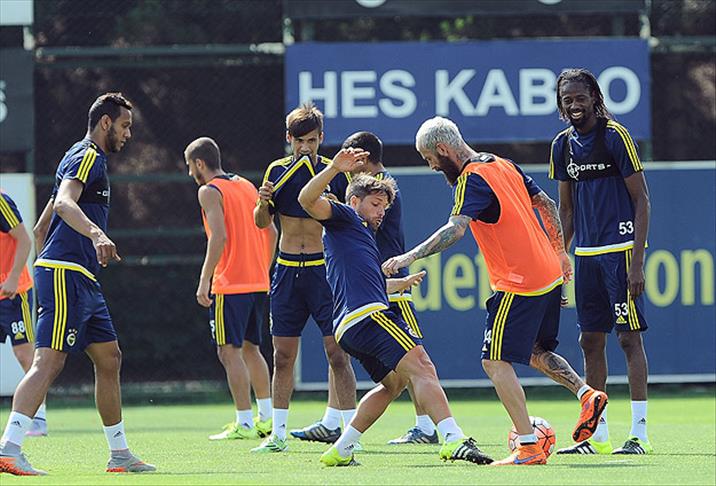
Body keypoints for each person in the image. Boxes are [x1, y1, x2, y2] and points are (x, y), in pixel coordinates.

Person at [383, 116, 607, 466]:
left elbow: (455, 229)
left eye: (430, 159)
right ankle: (585, 393)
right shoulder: (502, 163)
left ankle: (528, 446)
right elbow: (547, 205)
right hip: (548, 274)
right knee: (534, 351)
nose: (431, 166)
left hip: (518, 282)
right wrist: (560, 253)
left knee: (494, 361)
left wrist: (409, 256)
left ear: (443, 149)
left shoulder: (470, 179)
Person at [298, 147, 494, 467]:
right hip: (367, 317)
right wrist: (334, 169)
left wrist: (398, 284)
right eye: (375, 204)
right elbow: (306, 200)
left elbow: (366, 284)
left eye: (384, 207)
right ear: (354, 202)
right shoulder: (345, 217)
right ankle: (453, 439)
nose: (381, 212)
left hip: (350, 325)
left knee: (394, 384)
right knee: (423, 366)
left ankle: (342, 449)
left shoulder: (359, 237)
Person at [0, 93, 155, 476]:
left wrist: (53, 257)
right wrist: (96, 235)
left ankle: (120, 454)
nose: (128, 134)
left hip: (81, 276)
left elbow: (42, 226)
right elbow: (65, 204)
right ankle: (8, 449)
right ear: (105, 122)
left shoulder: (82, 160)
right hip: (66, 273)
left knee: (110, 357)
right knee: (48, 361)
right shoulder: (88, 155)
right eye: (124, 126)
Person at [549, 69, 652, 456]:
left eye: (580, 97)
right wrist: (558, 257)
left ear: (594, 97)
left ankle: (639, 434)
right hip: (586, 256)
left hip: (620, 251)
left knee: (628, 338)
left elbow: (642, 199)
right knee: (589, 340)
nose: (574, 105)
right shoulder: (562, 145)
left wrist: (637, 262)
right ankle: (597, 434)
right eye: (567, 100)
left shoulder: (615, 136)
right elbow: (566, 209)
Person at [252, 103, 357, 452]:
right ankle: (278, 435)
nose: (305, 147)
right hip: (286, 270)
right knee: (282, 356)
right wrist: (262, 202)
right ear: (289, 139)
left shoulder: (334, 171)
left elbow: (349, 221)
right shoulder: (277, 170)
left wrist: (333, 203)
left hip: (321, 270)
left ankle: (349, 436)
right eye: (299, 141)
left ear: (321, 138)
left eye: (311, 140)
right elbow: (262, 222)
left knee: (337, 353)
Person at [335, 132, 437, 445]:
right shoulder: (374, 188)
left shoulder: (379, 189)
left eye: (352, 155)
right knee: (406, 367)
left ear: (364, 157)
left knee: (416, 357)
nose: (348, 162)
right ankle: (344, 430)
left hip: (388, 283)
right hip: (375, 285)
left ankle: (427, 426)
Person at [184, 137, 276, 441]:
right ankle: (267, 418)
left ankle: (244, 422)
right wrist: (262, 268)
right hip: (257, 281)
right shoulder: (246, 185)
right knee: (252, 348)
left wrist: (205, 280)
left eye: (190, 167)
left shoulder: (209, 191)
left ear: (199, 163)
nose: (190, 174)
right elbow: (272, 230)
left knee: (228, 350)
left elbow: (219, 237)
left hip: (230, 283)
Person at [0, 190, 48, 437]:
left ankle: (38, 418)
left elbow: (25, 240)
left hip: (13, 293)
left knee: (24, 354)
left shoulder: (1, 201)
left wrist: (13, 277)